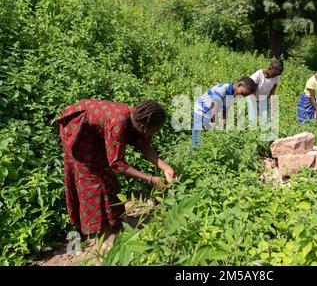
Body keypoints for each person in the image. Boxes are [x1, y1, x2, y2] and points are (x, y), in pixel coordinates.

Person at [53, 99, 176, 236]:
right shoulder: (118, 123)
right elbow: (117, 164)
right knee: (93, 179)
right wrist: (150, 179)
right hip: (78, 130)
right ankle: (100, 230)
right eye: (155, 129)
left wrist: (166, 168)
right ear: (145, 124)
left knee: (107, 176)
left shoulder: (135, 119)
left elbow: (144, 146)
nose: (155, 133)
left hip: (94, 131)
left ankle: (113, 222)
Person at [192, 77, 257, 148]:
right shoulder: (222, 89)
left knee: (206, 137)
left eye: (245, 96)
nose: (242, 96)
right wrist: (216, 127)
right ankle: (192, 155)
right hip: (201, 110)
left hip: (209, 113)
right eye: (242, 93)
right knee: (197, 139)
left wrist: (224, 125)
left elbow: (226, 109)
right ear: (239, 85)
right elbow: (215, 110)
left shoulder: (235, 94)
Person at [248, 59, 284, 126]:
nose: (274, 77)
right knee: (253, 123)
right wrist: (256, 111)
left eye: (277, 75)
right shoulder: (258, 75)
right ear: (269, 68)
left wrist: (272, 110)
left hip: (263, 100)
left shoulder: (276, 77)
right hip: (252, 98)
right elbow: (252, 93)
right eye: (274, 74)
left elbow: (272, 94)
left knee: (265, 123)